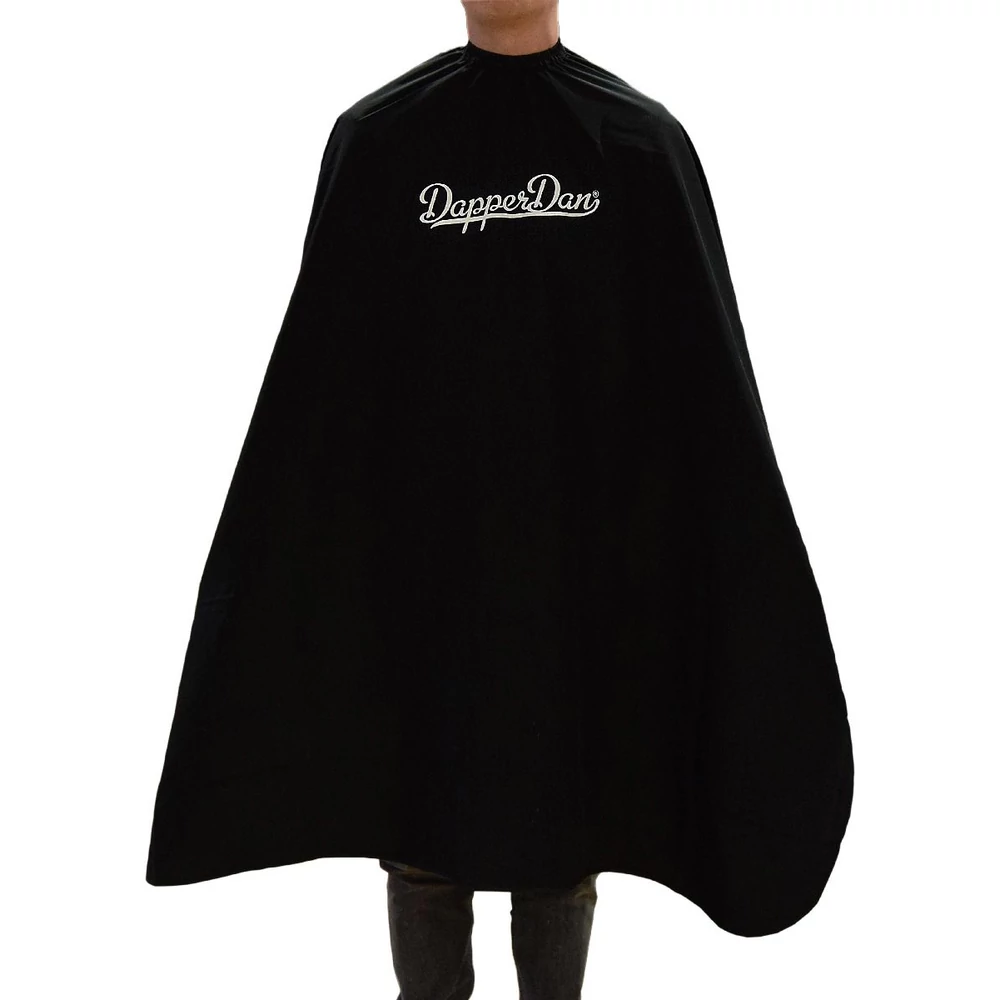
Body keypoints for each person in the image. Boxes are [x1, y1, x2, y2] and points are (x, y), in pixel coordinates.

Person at [377, 9, 599, 999]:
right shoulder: (383, 142)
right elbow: (332, 377)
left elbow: (688, 380)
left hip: (576, 568)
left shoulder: (636, 146)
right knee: (423, 826)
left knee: (562, 828)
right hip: (422, 563)